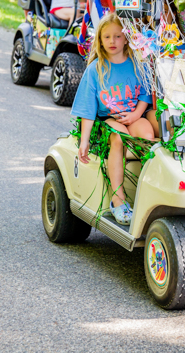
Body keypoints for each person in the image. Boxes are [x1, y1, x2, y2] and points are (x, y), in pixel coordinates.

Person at [71, 13, 154, 225]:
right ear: (100, 40)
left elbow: (145, 94)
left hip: (134, 114)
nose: (112, 41)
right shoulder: (95, 69)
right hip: (110, 119)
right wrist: (84, 140)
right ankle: (118, 200)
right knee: (119, 138)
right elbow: (88, 108)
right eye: (106, 37)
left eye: (117, 36)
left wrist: (136, 114)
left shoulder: (137, 64)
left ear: (126, 38)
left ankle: (149, 194)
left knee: (147, 134)